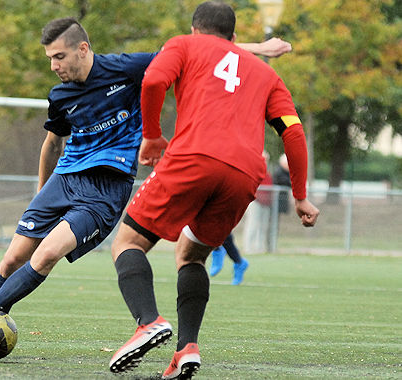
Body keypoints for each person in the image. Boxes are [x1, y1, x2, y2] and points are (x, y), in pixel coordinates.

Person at [0, 16, 293, 361]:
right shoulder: (60, 95)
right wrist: (41, 193)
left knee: (47, 255)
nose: (53, 66)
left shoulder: (125, 69)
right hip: (63, 180)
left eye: (59, 57)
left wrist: (259, 48)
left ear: (83, 49)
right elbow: (52, 144)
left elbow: (198, 51)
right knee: (11, 259)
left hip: (105, 189)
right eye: (49, 58)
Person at [108, 2, 320, 379]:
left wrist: (152, 136)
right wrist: (301, 195)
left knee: (127, 242)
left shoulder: (183, 45)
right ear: (234, 38)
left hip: (193, 157)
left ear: (194, 30)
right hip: (244, 174)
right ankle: (186, 347)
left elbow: (154, 81)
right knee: (191, 255)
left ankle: (148, 322)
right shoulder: (265, 75)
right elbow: (293, 131)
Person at [242, 150, 273, 253]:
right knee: (253, 224)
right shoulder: (253, 171)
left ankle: (259, 248)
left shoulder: (267, 173)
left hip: (265, 203)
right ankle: (248, 248)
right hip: (255, 202)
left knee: (263, 227)